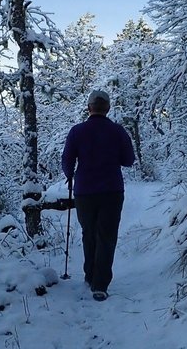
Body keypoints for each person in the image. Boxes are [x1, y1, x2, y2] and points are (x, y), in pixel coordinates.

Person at [61, 89, 136, 301]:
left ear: (89, 108)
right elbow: (129, 160)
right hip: (112, 190)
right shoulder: (118, 131)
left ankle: (89, 275)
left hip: (85, 191)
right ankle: (100, 284)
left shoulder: (77, 131)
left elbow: (67, 159)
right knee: (107, 235)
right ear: (108, 108)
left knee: (89, 232)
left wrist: (70, 175)